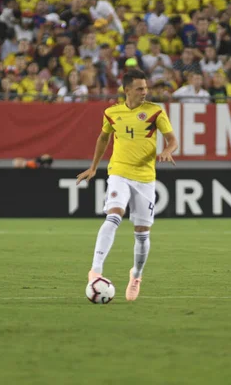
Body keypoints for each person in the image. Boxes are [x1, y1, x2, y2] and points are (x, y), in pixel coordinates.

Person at [76, 69, 178, 302]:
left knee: (142, 234)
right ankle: (95, 270)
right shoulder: (112, 113)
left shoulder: (155, 111)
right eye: (140, 88)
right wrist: (93, 167)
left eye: (146, 88)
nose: (145, 92)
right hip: (119, 172)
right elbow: (103, 138)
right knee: (114, 215)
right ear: (127, 90)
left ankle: (136, 275)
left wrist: (166, 151)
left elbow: (173, 140)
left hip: (144, 178)